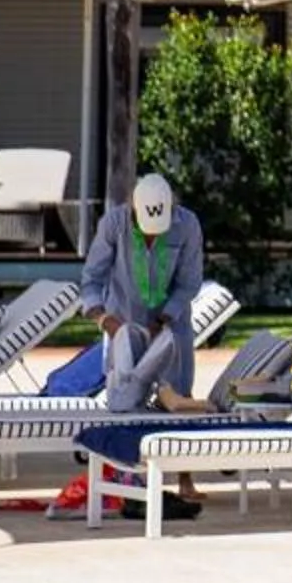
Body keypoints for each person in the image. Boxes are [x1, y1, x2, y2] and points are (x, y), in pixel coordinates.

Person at [80, 172, 206, 416]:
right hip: (122, 326)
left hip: (171, 329)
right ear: (133, 210)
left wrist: (163, 319)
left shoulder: (188, 225)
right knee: (124, 405)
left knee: (176, 403)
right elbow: (91, 280)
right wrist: (105, 320)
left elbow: (189, 283)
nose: (153, 236)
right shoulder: (113, 223)